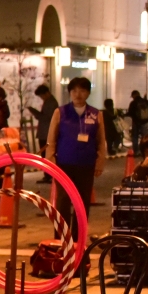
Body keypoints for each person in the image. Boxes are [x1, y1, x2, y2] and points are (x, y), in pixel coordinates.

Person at [44, 76, 106, 230]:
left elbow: (100, 141)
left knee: (82, 203)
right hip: (64, 165)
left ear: (88, 93)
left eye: (82, 91)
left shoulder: (96, 114)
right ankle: (61, 237)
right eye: (74, 91)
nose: (78, 94)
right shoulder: (60, 112)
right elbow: (51, 140)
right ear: (70, 93)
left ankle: (79, 238)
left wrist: (99, 163)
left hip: (86, 165)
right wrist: (51, 162)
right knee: (63, 201)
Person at [29, 84, 58, 156]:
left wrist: (35, 113)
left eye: (41, 96)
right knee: (44, 153)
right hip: (45, 132)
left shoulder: (51, 103)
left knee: (45, 154)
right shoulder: (48, 101)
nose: (41, 98)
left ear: (47, 93)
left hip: (46, 133)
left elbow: (47, 118)